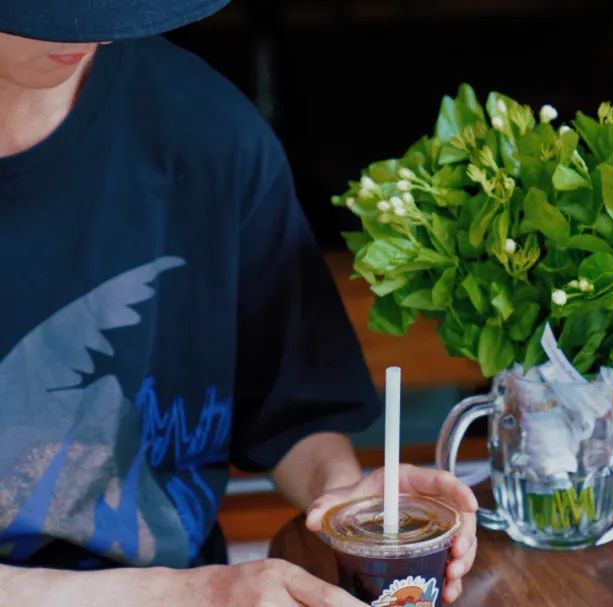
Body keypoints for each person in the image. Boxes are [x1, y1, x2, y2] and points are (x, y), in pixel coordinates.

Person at [0, 1, 477, 604]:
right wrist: (187, 595)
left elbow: (288, 404)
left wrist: (344, 497)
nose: (89, 23)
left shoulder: (204, 126)